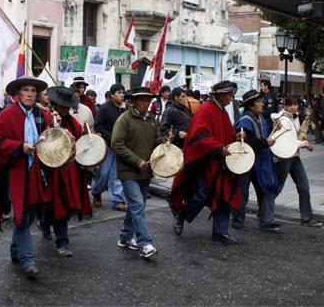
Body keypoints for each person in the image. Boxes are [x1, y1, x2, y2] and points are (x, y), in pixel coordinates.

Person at [0, 76, 52, 277]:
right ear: (18, 94)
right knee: (22, 214)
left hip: (35, 171)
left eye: (33, 90)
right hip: (14, 172)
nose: (30, 94)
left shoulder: (43, 116)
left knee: (29, 214)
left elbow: (50, 137)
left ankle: (16, 250)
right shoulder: (7, 114)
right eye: (25, 90)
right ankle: (28, 259)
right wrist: (17, 147)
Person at [169, 81, 243, 244]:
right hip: (206, 161)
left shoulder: (222, 111)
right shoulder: (206, 110)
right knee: (203, 194)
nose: (232, 98)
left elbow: (226, 133)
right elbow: (199, 135)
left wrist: (234, 137)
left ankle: (220, 232)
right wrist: (217, 147)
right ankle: (182, 215)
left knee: (223, 194)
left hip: (221, 162)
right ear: (221, 95)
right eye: (230, 95)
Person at [111, 87, 165, 258]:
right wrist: (136, 160)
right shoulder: (124, 119)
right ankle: (145, 243)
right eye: (141, 100)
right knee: (138, 205)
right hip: (128, 171)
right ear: (132, 102)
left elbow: (156, 140)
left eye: (148, 100)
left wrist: (165, 141)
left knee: (136, 206)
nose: (145, 103)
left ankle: (125, 237)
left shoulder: (151, 119)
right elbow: (116, 144)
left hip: (146, 171)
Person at [39, 86, 92, 257]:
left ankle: (51, 229)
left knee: (67, 206)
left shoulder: (73, 122)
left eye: (67, 106)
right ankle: (59, 239)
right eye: (61, 106)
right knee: (56, 205)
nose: (64, 109)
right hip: (52, 172)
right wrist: (53, 127)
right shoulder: (46, 118)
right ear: (54, 104)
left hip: (71, 171)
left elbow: (81, 142)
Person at [272, 95, 323, 227]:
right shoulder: (282, 120)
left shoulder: (295, 117)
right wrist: (304, 144)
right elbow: (287, 141)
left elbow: (296, 137)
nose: (294, 107)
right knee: (277, 187)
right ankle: (265, 212)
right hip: (284, 158)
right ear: (285, 106)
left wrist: (303, 138)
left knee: (304, 186)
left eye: (296, 105)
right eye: (291, 105)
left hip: (294, 156)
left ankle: (306, 218)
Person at [233, 90, 280, 232]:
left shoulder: (260, 118)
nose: (262, 104)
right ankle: (237, 221)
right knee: (243, 193)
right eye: (259, 102)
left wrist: (275, 128)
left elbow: (264, 135)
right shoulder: (244, 122)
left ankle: (266, 220)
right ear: (251, 106)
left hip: (260, 161)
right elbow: (247, 144)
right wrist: (265, 143)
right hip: (246, 162)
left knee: (264, 190)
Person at [92, 83, 127, 211]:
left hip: (121, 146)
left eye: (123, 93)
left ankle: (118, 200)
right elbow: (98, 125)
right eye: (118, 93)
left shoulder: (125, 109)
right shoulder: (105, 108)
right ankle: (97, 193)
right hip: (108, 146)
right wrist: (110, 137)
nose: (121, 95)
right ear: (112, 95)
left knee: (116, 174)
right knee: (103, 172)